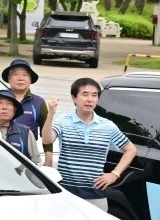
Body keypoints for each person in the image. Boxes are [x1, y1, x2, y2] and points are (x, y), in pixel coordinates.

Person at [41, 78, 137, 210]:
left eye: (94, 95)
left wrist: (115, 174)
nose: (90, 99)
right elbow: (47, 140)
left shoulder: (107, 126)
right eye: (85, 94)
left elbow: (130, 150)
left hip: (96, 196)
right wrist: (50, 115)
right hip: (66, 194)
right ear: (74, 98)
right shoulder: (63, 121)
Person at [0, 89, 42, 166]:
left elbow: (36, 164)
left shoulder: (25, 133)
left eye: (9, 103)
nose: (4, 107)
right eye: (0, 102)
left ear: (14, 111)